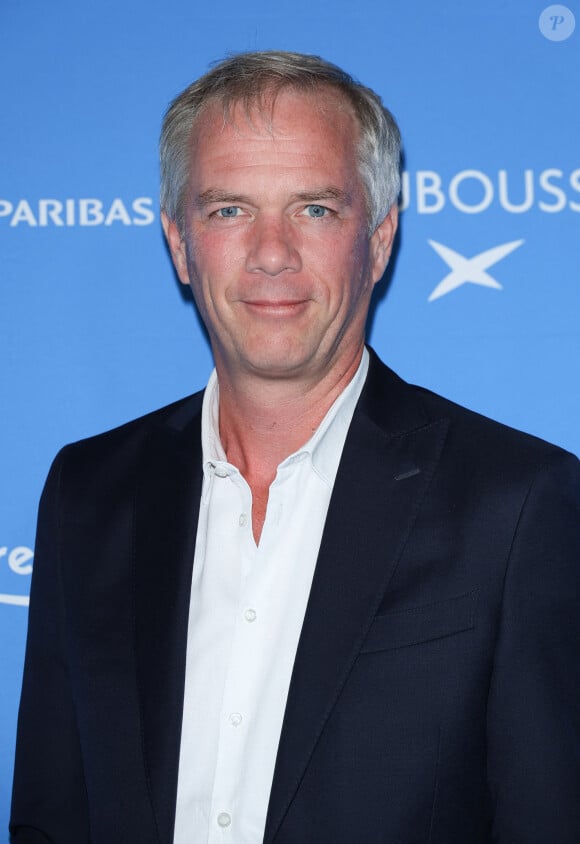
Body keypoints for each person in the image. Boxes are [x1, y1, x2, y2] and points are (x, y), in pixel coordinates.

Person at [10, 50, 580, 844]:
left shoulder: (516, 502)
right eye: (228, 210)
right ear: (179, 244)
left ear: (378, 241)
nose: (272, 253)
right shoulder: (89, 492)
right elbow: (50, 815)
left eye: (314, 209)